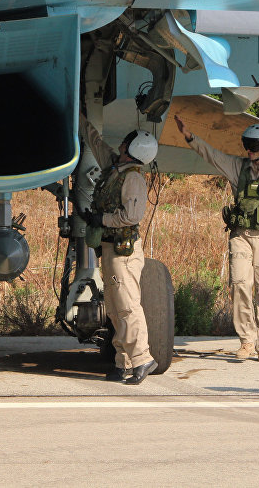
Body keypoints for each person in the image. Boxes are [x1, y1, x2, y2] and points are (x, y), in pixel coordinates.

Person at [174, 115, 259, 362]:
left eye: (254, 148)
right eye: (247, 147)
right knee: (240, 285)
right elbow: (212, 155)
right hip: (241, 235)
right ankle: (246, 340)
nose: (249, 152)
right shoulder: (237, 166)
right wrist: (189, 136)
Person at [79, 117, 159, 384]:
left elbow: (131, 216)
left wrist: (101, 220)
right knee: (114, 308)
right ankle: (122, 363)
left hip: (123, 255)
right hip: (111, 253)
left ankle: (143, 358)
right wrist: (80, 116)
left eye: (128, 141)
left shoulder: (132, 178)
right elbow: (96, 143)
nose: (122, 143)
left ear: (132, 148)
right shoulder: (115, 168)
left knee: (127, 306)